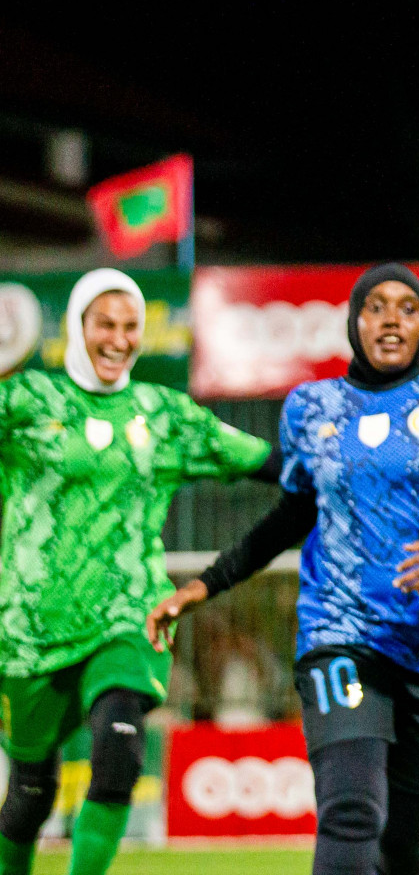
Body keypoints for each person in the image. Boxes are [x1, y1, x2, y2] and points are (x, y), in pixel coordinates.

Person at [146, 265, 419, 875]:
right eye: (376, 306)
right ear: (354, 321)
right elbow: (291, 517)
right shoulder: (312, 407)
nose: (391, 318)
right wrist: (205, 585)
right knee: (352, 810)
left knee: (399, 841)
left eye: (407, 308)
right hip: (339, 635)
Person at [0, 269, 278, 875]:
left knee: (119, 747)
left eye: (131, 327)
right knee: (27, 798)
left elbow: (272, 464)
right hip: (27, 624)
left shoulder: (163, 414)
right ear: (77, 326)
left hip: (130, 611)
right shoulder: (23, 400)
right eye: (105, 324)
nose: (120, 339)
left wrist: (351, 466)